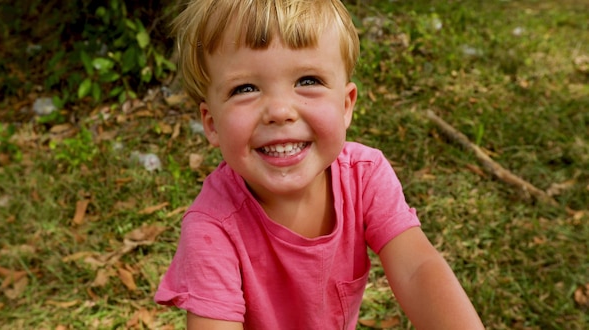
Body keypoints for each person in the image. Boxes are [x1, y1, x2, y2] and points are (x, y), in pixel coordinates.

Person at [155, 0, 485, 329]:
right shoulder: (211, 227)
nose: (280, 110)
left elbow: (417, 270)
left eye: (308, 81)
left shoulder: (364, 176)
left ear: (345, 106)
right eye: (245, 88)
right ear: (212, 124)